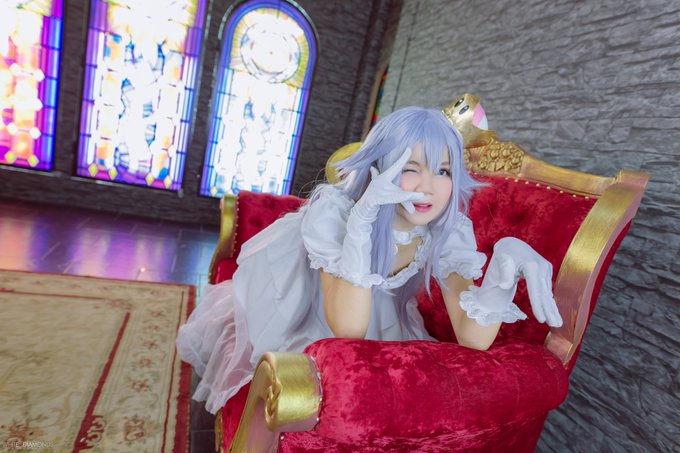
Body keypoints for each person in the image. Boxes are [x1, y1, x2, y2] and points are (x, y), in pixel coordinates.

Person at [176, 106, 563, 414]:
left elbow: (472, 338)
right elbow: (347, 328)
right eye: (410, 168)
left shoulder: (447, 230)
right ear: (381, 165)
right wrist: (362, 221)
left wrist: (501, 275)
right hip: (311, 298)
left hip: (371, 304)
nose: (428, 187)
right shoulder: (335, 214)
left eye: (443, 171)